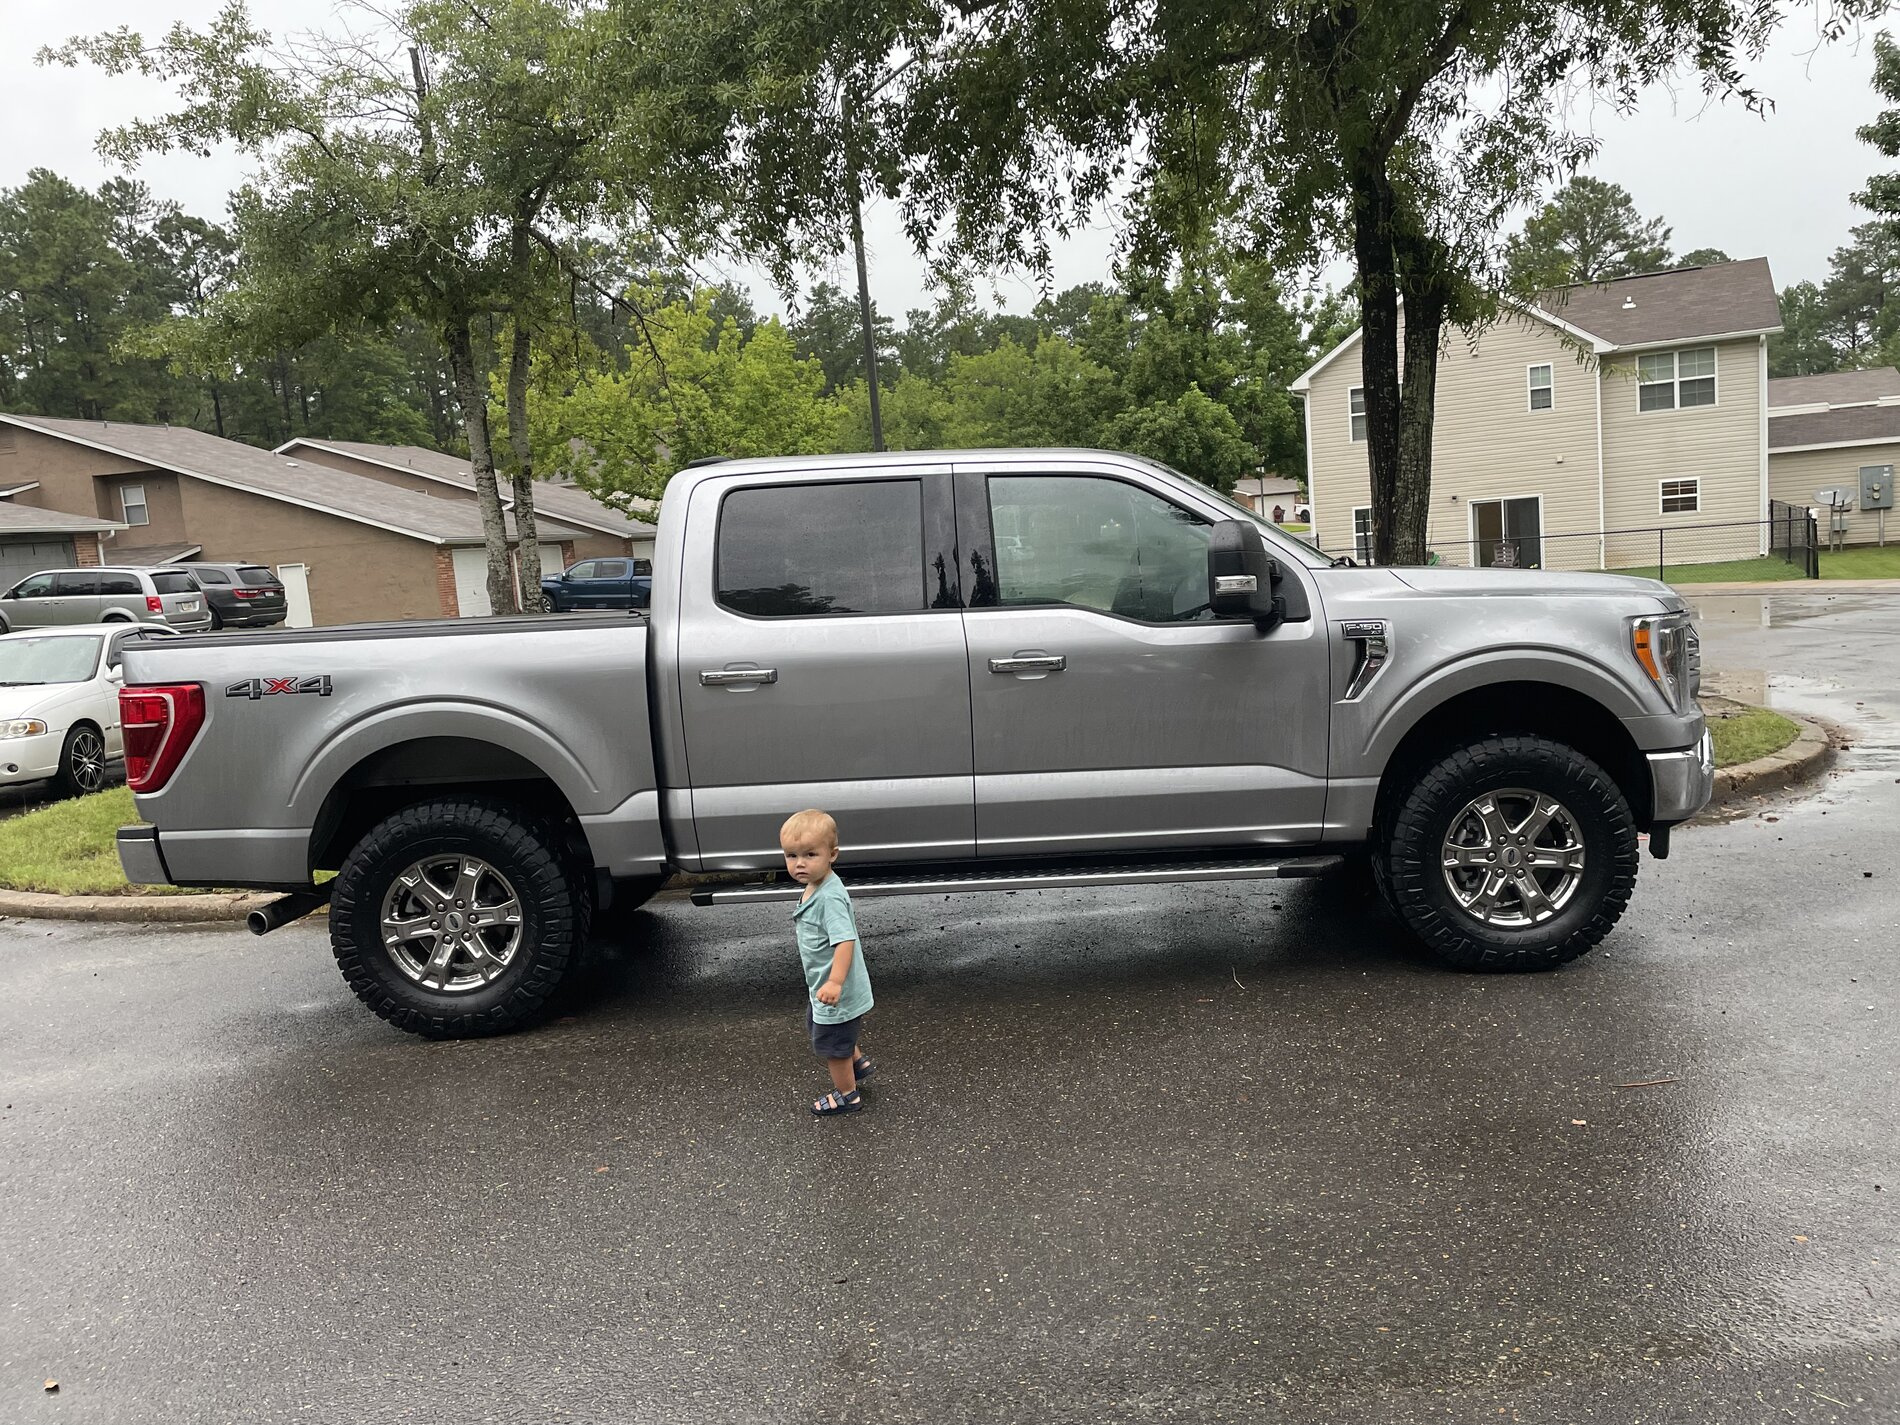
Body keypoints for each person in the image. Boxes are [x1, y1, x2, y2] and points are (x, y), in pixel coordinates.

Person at [780, 808, 876, 1116]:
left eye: (810, 854)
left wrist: (835, 982)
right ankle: (857, 1062)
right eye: (792, 856)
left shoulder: (829, 897)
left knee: (832, 1045)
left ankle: (848, 1094)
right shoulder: (817, 886)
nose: (800, 863)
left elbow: (845, 941)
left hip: (836, 989)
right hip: (822, 986)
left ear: (832, 854)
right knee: (820, 1026)